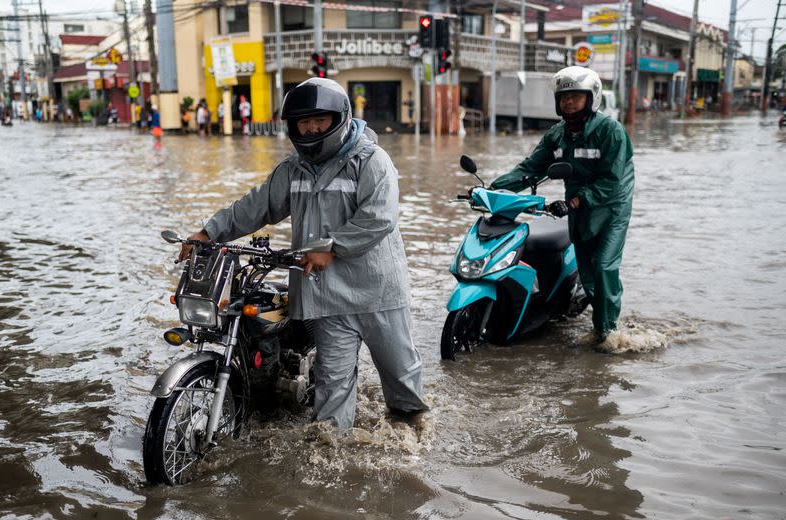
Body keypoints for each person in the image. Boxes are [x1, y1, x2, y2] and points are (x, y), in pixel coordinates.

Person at [177, 78, 429, 429]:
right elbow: (257, 206)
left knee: (401, 379)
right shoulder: (292, 168)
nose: (311, 128)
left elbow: (380, 217)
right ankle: (332, 455)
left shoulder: (372, 160)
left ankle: (413, 434)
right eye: (303, 122)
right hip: (326, 296)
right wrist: (209, 231)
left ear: (339, 118)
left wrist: (334, 247)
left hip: (378, 293)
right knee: (332, 391)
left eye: (319, 121)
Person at [490, 66, 635, 342]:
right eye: (564, 97)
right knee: (589, 273)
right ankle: (599, 324)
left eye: (575, 97)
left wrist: (575, 201)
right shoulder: (557, 135)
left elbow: (612, 181)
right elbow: (530, 169)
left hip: (611, 207)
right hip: (577, 207)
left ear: (591, 97)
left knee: (604, 267)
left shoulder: (611, 132)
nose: (568, 102)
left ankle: (609, 333)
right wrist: (492, 189)